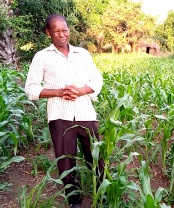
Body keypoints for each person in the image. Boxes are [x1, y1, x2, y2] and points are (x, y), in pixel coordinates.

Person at [25, 14, 104, 208]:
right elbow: (31, 89)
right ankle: (74, 201)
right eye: (57, 31)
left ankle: (102, 193)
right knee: (66, 161)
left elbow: (97, 80)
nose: (62, 34)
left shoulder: (82, 54)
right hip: (60, 116)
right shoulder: (41, 57)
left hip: (85, 112)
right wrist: (60, 92)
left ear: (69, 30)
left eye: (65, 30)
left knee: (95, 156)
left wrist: (80, 91)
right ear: (48, 33)